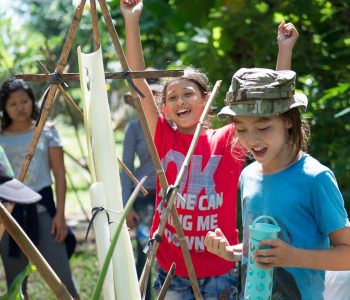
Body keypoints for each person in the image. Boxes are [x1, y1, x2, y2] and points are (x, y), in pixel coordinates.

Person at [121, 1, 299, 299]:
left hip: (220, 271)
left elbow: (272, 105)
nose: (180, 101)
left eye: (187, 93)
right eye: (172, 97)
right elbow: (137, 84)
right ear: (163, 108)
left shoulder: (229, 139)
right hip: (172, 272)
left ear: (206, 100)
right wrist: (131, 20)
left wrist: (285, 49)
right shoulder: (163, 136)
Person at [204, 68, 350, 299]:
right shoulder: (249, 175)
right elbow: (266, 247)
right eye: (241, 129)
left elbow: (347, 254)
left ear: (288, 121)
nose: (251, 139)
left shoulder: (315, 178)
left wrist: (292, 257)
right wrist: (236, 252)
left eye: (263, 127)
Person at [0, 78, 79, 299]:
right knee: (15, 285)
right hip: (8, 216)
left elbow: (60, 174)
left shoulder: (46, 130)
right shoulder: (0, 138)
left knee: (64, 280)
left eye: (23, 101)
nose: (19, 107)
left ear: (32, 101)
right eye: (12, 103)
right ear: (4, 108)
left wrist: (60, 214)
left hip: (44, 211)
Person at [121, 79, 162, 300]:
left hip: (173, 195)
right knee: (146, 251)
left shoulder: (173, 123)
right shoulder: (134, 127)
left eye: (154, 96)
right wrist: (126, 205)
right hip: (145, 196)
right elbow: (126, 167)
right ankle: (142, 296)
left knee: (174, 249)